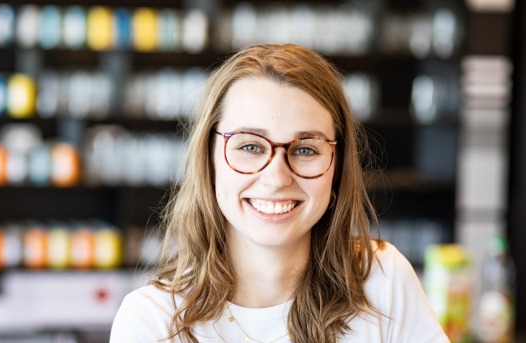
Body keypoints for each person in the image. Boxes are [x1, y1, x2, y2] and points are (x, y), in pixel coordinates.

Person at [110, 44, 448, 343]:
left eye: (305, 150)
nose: (276, 178)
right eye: (250, 146)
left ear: (337, 167)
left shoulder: (382, 279)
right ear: (208, 162)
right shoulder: (151, 321)